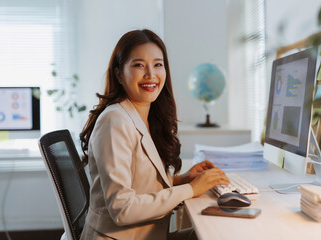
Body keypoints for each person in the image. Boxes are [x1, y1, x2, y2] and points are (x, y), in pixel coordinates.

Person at [79, 29, 230, 240]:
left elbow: (138, 183)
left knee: (216, 232)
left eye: (158, 64)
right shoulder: (115, 120)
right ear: (119, 74)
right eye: (139, 65)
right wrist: (191, 189)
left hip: (148, 235)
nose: (151, 74)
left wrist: (181, 181)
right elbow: (121, 208)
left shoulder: (143, 117)